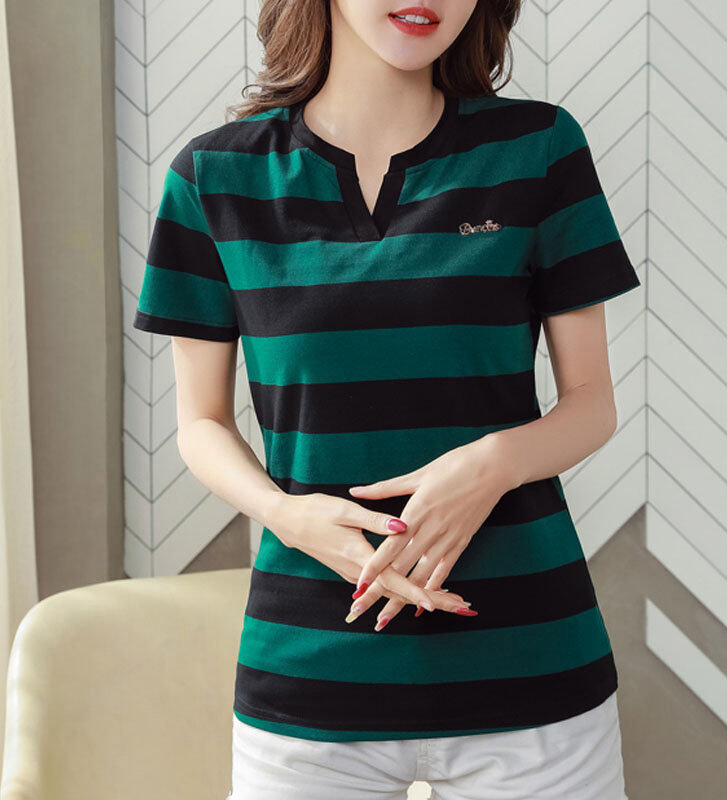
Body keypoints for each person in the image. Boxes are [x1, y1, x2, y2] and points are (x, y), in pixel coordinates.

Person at [132, 1, 641, 797]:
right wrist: (287, 515)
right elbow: (199, 423)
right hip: (308, 680)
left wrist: (489, 465)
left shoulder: (539, 148)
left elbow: (591, 403)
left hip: (532, 671)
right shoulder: (214, 177)